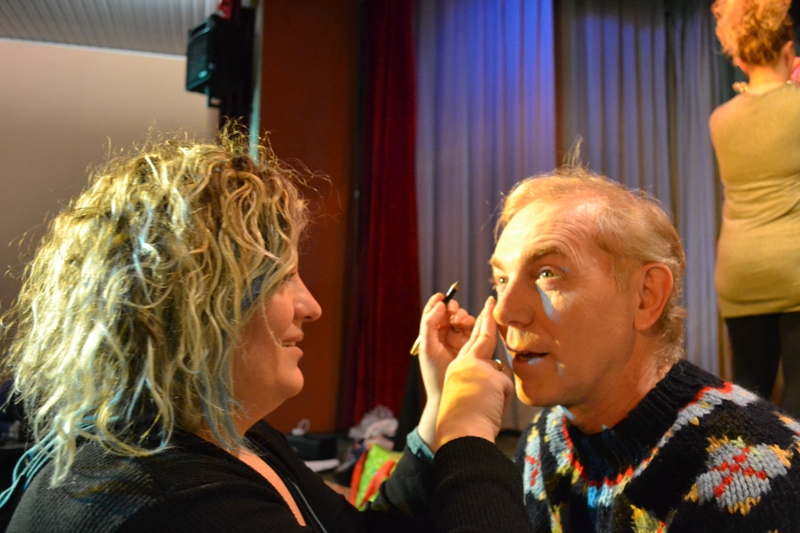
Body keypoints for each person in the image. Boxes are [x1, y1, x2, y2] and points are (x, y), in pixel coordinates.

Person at [0, 127, 518, 532]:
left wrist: (439, 408)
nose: (311, 306)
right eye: (282, 277)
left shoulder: (230, 440)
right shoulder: (171, 503)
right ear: (198, 301)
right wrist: (469, 432)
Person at [421, 168, 800, 532]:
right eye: (501, 279)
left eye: (548, 273)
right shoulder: (543, 440)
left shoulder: (760, 472)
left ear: (646, 296)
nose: (504, 313)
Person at [710, 0, 800, 417]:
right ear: (789, 49)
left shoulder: (720, 119)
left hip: (740, 271)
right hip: (794, 266)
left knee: (750, 397)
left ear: (741, 58)